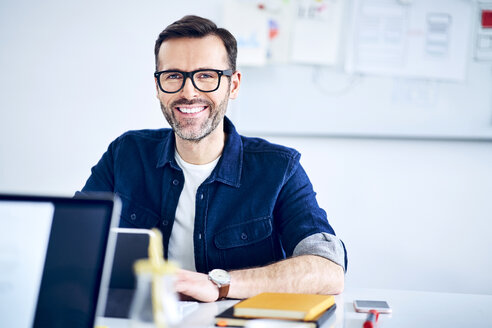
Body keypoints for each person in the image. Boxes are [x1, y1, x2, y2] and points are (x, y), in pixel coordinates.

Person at [79, 15, 347, 302]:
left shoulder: (280, 169)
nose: (189, 92)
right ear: (157, 87)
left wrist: (220, 283)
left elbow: (328, 269)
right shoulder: (125, 154)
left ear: (233, 86)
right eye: (173, 76)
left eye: (206, 75)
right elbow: (72, 240)